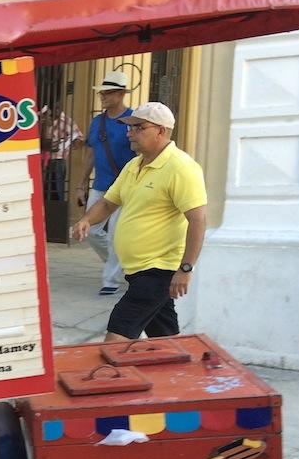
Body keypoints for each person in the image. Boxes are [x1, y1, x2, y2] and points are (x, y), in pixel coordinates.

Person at [71, 102, 207, 342]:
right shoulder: (134, 165)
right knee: (165, 342)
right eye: (129, 127)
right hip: (136, 270)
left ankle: (110, 381)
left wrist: (185, 269)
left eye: (138, 127)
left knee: (115, 340)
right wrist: (86, 220)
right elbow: (108, 202)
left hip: (157, 270)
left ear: (161, 131)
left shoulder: (181, 167)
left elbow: (197, 220)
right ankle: (176, 374)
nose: (129, 133)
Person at [73, 70, 136, 295]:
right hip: (100, 185)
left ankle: (110, 281)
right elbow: (91, 155)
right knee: (90, 230)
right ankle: (119, 267)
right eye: (101, 94)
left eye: (107, 94)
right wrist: (81, 185)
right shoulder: (97, 122)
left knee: (115, 235)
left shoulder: (133, 120)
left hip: (125, 188)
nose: (103, 97)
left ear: (120, 95)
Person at [39, 105, 82, 202]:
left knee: (58, 189)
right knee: (41, 189)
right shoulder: (41, 120)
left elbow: (79, 138)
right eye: (55, 108)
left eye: (59, 108)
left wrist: (65, 143)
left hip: (59, 159)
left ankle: (58, 209)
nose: (58, 111)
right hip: (41, 159)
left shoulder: (66, 121)